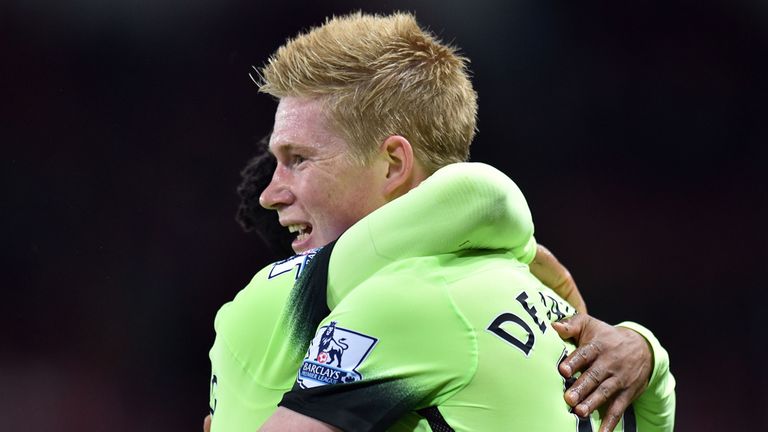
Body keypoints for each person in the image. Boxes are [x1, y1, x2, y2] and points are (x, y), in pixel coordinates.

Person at [208, 11, 674, 432]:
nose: (270, 194)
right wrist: (648, 351)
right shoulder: (569, 319)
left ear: (392, 164)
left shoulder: (409, 298)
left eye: (299, 159)